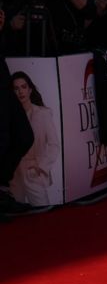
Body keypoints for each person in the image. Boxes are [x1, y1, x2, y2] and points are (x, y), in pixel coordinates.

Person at [10, 72, 59, 206]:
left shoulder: (43, 114)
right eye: (16, 88)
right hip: (14, 174)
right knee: (16, 216)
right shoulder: (9, 116)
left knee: (42, 211)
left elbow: (54, 145)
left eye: (23, 87)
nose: (20, 91)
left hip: (33, 172)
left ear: (30, 89)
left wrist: (41, 166)